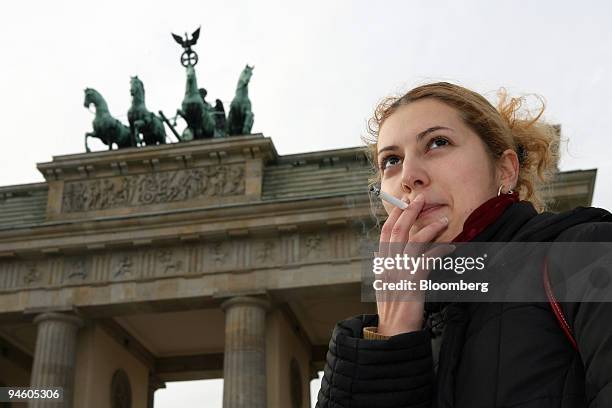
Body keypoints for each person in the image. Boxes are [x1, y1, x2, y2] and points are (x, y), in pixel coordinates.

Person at [315, 82, 612, 408]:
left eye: (437, 143)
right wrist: (391, 339)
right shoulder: (363, 346)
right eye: (391, 161)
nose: (409, 176)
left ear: (505, 170)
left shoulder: (589, 255)